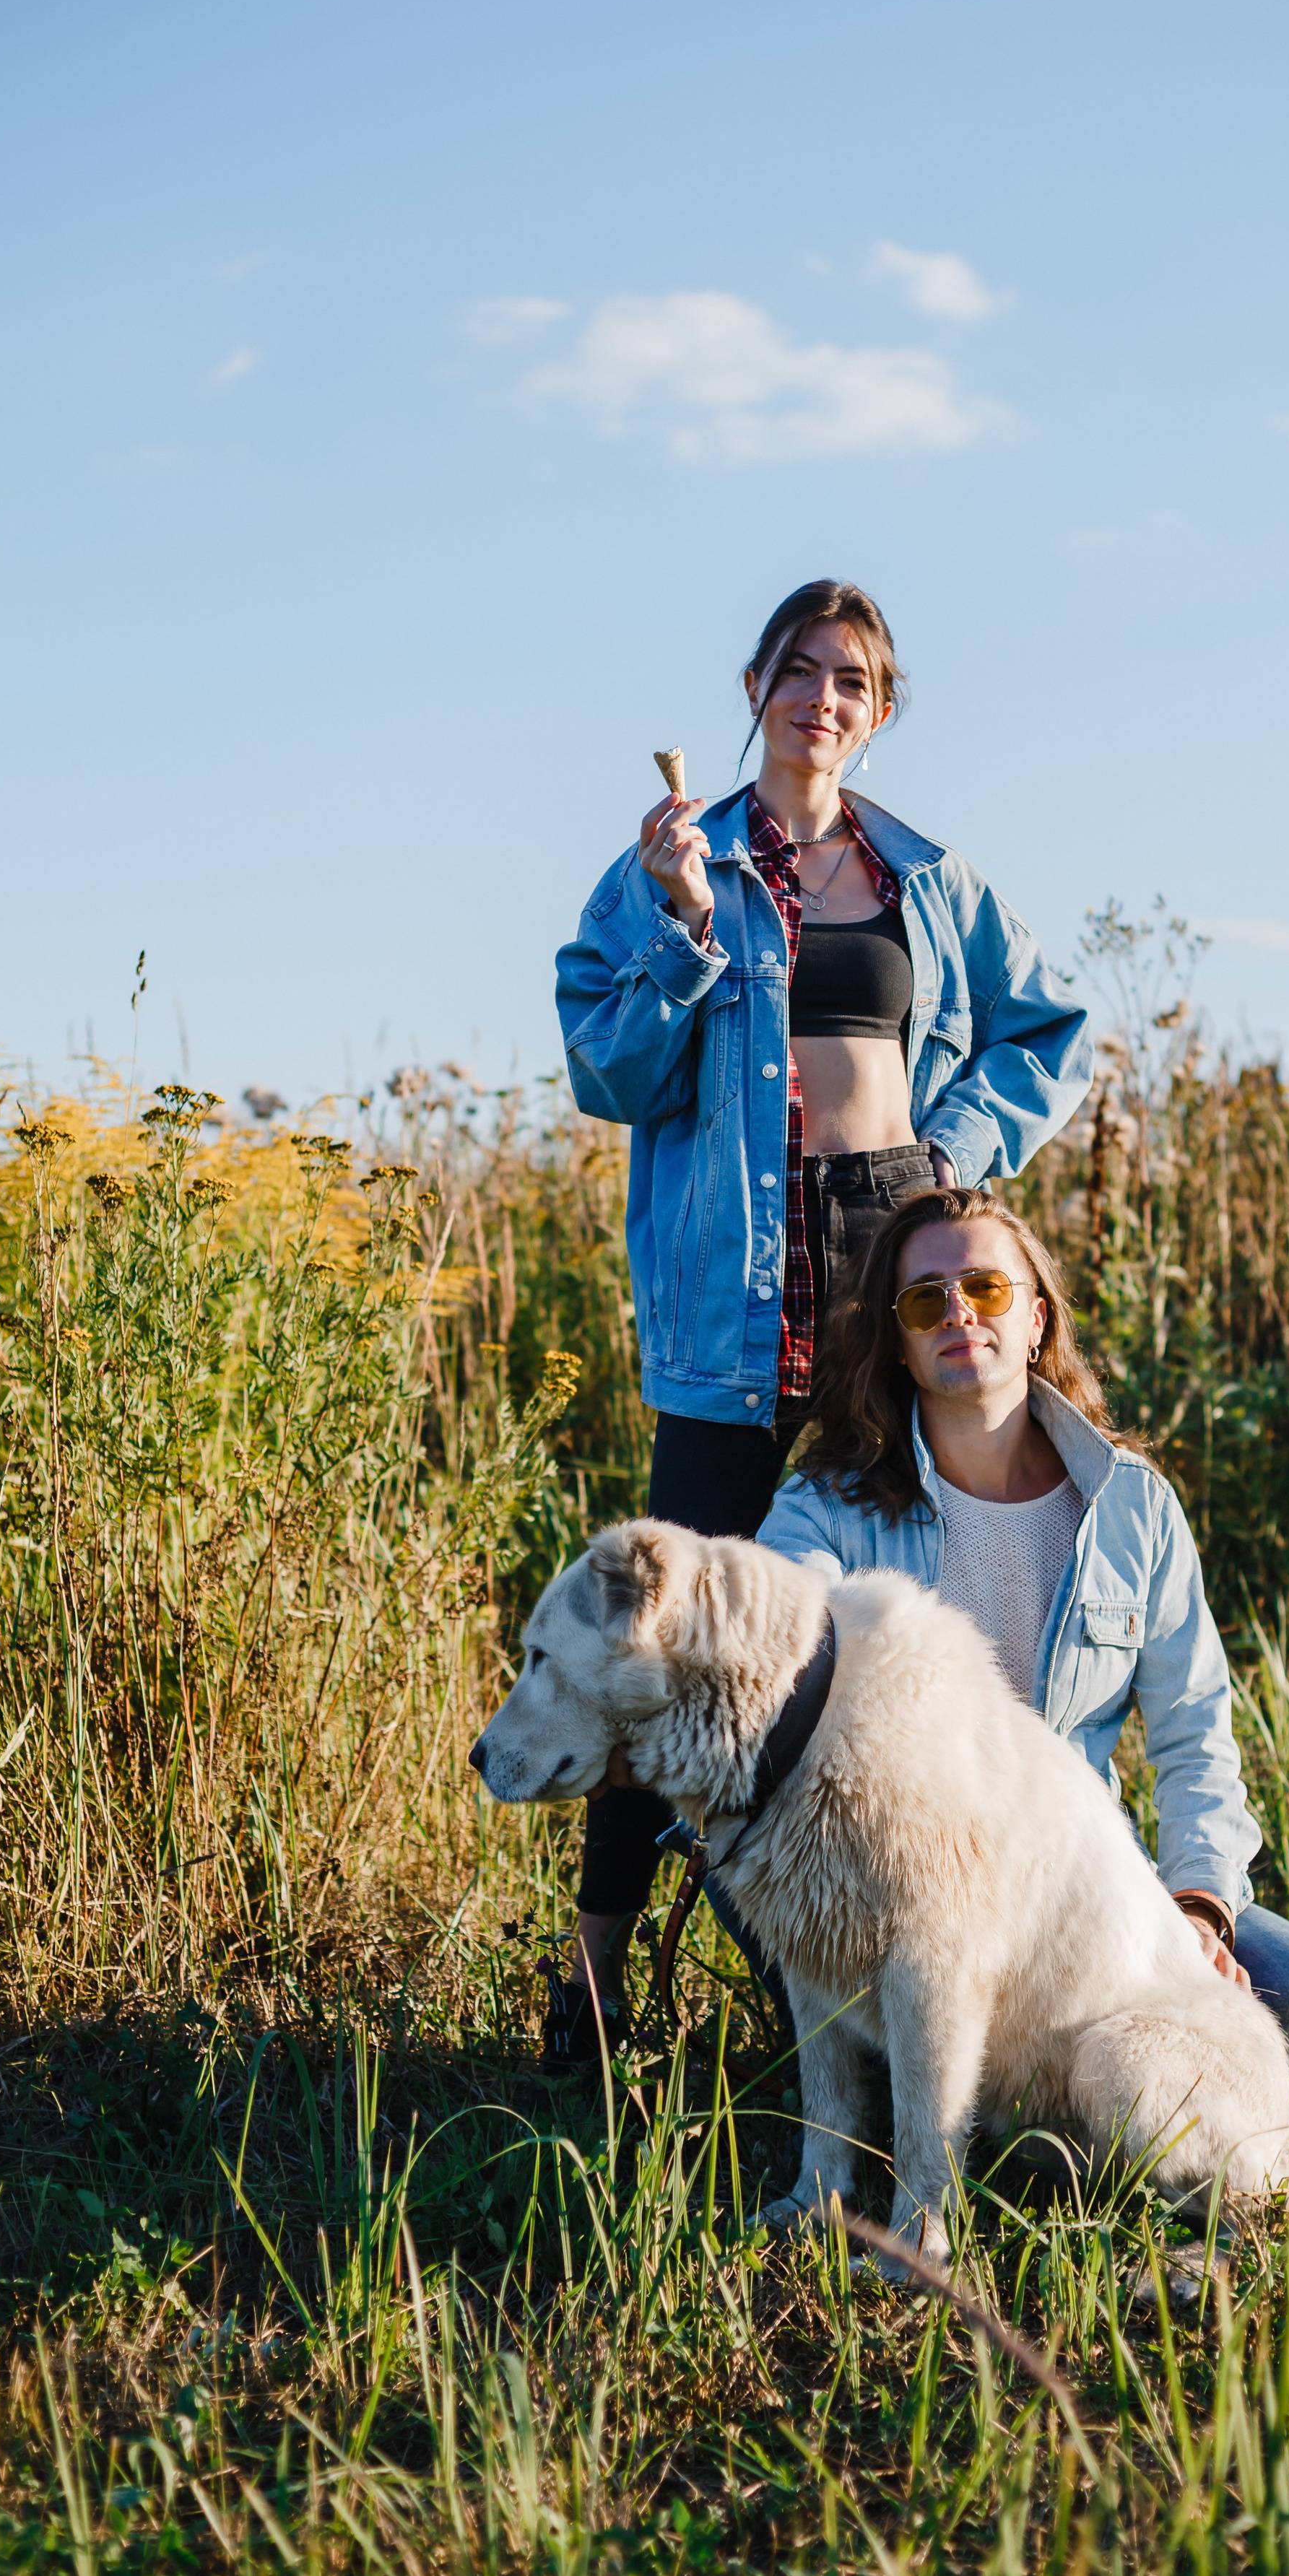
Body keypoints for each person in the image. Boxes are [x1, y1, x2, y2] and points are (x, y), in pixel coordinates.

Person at [538, 580, 1092, 2087]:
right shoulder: (673, 860)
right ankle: (587, 1994)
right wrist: (677, 928)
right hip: (732, 1299)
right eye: (799, 670)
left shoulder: (924, 875)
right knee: (665, 1632)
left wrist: (948, 1156)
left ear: (880, 709)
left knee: (872, 1636)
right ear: (755, 685)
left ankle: (870, 1982)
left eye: (852, 678)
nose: (823, 698)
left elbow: (1050, 1026)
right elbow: (609, 1073)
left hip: (884, 1276)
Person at [755, 1184, 1289, 2076]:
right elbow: (773, 1630)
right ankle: (1005, 2100)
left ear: (1036, 1320)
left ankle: (1048, 2089)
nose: (957, 1310)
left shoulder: (1130, 1506)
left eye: (986, 1289)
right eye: (925, 1300)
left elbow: (1195, 1735)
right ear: (901, 1344)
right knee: (955, 2052)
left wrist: (1195, 1908)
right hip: (896, 1883)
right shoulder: (828, 1507)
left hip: (1074, 1880)